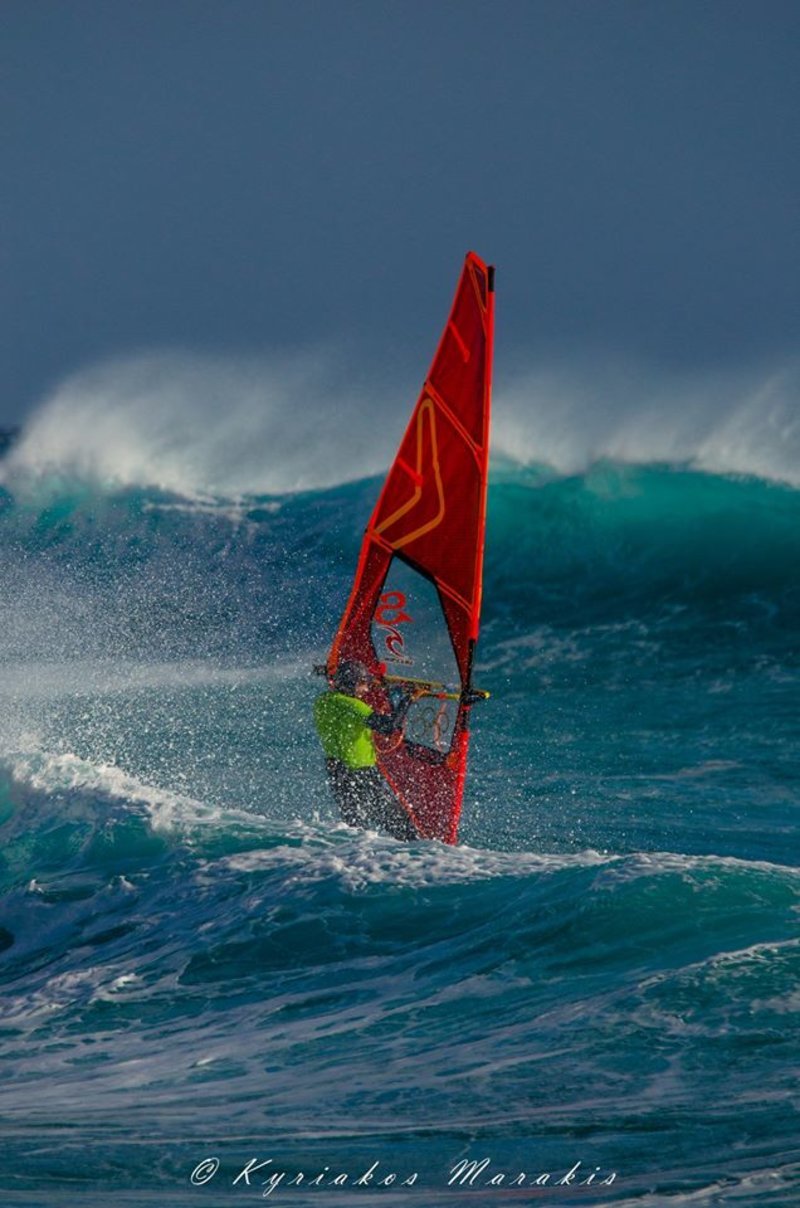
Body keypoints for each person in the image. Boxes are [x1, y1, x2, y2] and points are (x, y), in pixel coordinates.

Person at [314, 660, 419, 840]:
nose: (366, 689)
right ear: (350, 684)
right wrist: (409, 698)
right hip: (361, 775)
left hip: (336, 772)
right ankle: (417, 858)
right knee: (402, 827)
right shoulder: (354, 706)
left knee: (355, 828)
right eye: (362, 684)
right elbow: (389, 726)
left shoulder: (322, 701)